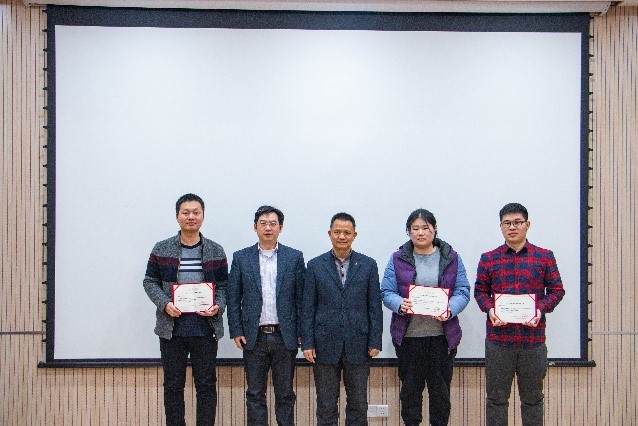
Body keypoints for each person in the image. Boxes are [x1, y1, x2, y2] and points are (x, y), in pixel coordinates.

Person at [474, 202, 565, 426]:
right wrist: (490, 308)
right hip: (498, 341)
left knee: (532, 400)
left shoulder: (544, 257)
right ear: (501, 227)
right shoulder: (489, 258)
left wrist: (540, 309)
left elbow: (557, 290)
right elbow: (480, 292)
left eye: (517, 222)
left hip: (532, 341)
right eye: (507, 223)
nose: (512, 227)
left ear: (527, 224)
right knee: (496, 400)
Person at [143, 193, 228, 426]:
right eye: (186, 212)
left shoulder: (216, 250)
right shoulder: (161, 248)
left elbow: (224, 286)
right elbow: (149, 282)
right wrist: (165, 304)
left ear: (203, 216)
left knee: (206, 386)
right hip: (172, 330)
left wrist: (218, 306)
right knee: (173, 386)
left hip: (205, 329)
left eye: (196, 212)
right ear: (177, 216)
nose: (191, 217)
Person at [380, 208, 470, 426]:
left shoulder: (451, 257)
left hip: (442, 339)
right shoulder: (398, 258)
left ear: (434, 229)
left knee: (440, 395)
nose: (420, 233)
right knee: (410, 393)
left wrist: (450, 309)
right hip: (409, 339)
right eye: (415, 228)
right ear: (409, 231)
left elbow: (463, 290)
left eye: (425, 228)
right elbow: (387, 291)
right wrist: (399, 304)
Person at [226, 205, 305, 426]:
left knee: (285, 394)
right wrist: (236, 330)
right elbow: (233, 297)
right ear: (255, 227)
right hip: (254, 337)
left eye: (272, 224)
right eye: (263, 224)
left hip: (284, 336)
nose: (268, 228)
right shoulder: (241, 258)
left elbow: (301, 299)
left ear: (281, 227)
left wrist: (301, 332)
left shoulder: (294, 257)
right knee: (255, 394)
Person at [301, 212, 383, 426]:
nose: (342, 236)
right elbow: (308, 308)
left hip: (359, 344)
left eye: (347, 232)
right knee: (326, 405)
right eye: (337, 232)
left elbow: (374, 306)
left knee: (358, 404)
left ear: (355, 235)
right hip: (324, 344)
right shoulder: (315, 265)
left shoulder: (368, 265)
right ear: (329, 234)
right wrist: (307, 342)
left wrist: (375, 340)